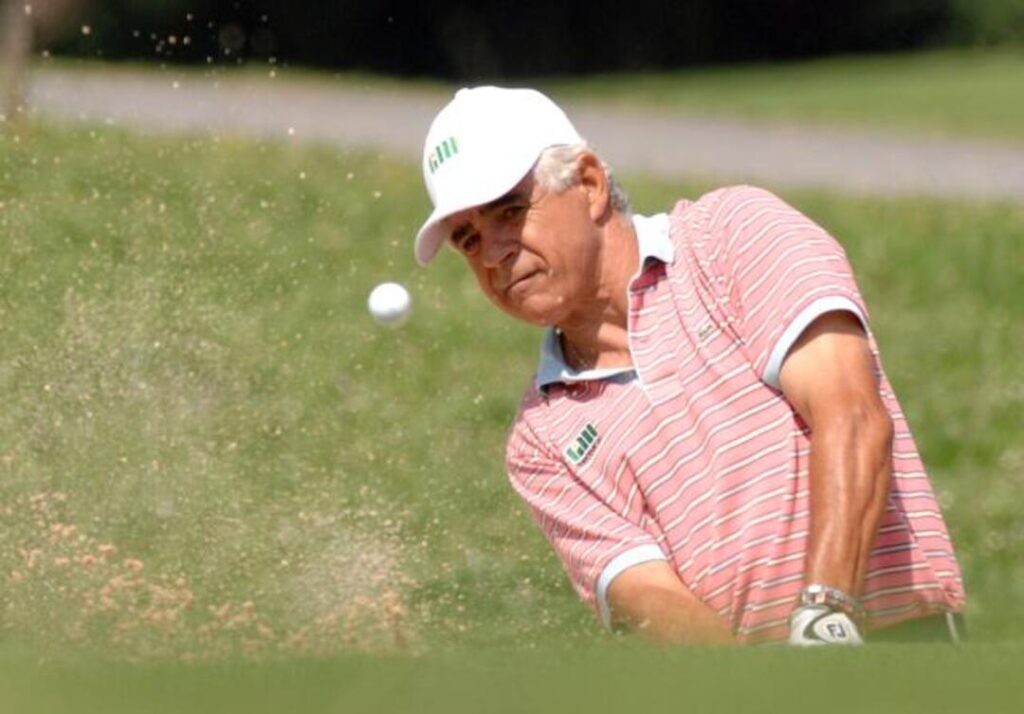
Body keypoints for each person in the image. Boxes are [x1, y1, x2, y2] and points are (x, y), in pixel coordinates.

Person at [413, 86, 966, 645]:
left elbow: (850, 415)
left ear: (589, 184)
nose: (493, 253)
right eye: (468, 239)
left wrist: (826, 611)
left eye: (510, 211)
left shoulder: (731, 235)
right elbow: (651, 598)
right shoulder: (539, 442)